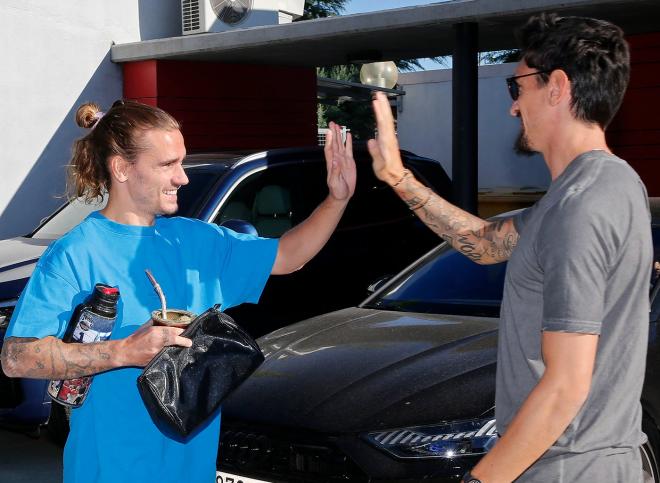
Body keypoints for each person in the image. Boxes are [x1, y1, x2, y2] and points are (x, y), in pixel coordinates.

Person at [0, 100, 356, 482]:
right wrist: (123, 351)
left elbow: (288, 256)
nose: (182, 178)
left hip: (192, 470)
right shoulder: (76, 252)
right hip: (110, 470)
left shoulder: (193, 239)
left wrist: (337, 200)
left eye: (181, 162)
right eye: (167, 165)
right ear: (122, 168)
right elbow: (17, 358)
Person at [367, 13, 651, 483]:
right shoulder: (593, 190)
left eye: (516, 87)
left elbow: (564, 386)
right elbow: (484, 244)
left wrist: (480, 480)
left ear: (557, 87)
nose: (513, 108)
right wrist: (398, 177)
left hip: (569, 468)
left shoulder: (584, 203)